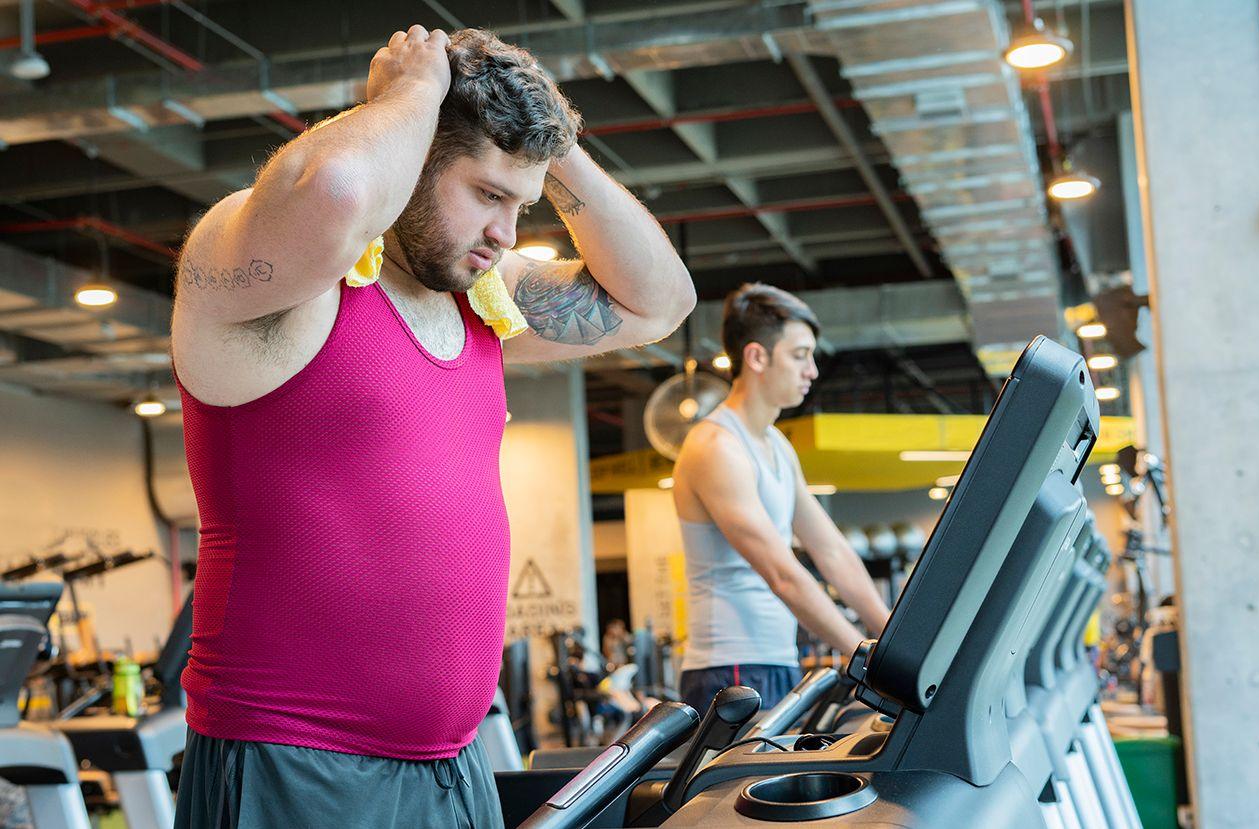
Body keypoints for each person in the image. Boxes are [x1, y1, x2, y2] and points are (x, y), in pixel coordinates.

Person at [170, 26, 695, 827]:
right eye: (488, 195)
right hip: (300, 763)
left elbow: (659, 301)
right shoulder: (278, 275)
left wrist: (548, 145)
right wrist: (410, 94)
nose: (508, 234)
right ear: (414, 155)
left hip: (454, 764)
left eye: (518, 206)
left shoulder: (479, 299)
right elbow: (337, 195)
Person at [672, 283, 891, 716]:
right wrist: (865, 659)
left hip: (774, 660)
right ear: (757, 357)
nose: (811, 370)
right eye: (799, 355)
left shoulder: (774, 445)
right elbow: (781, 573)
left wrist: (892, 638)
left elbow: (831, 550)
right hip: (731, 670)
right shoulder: (717, 447)